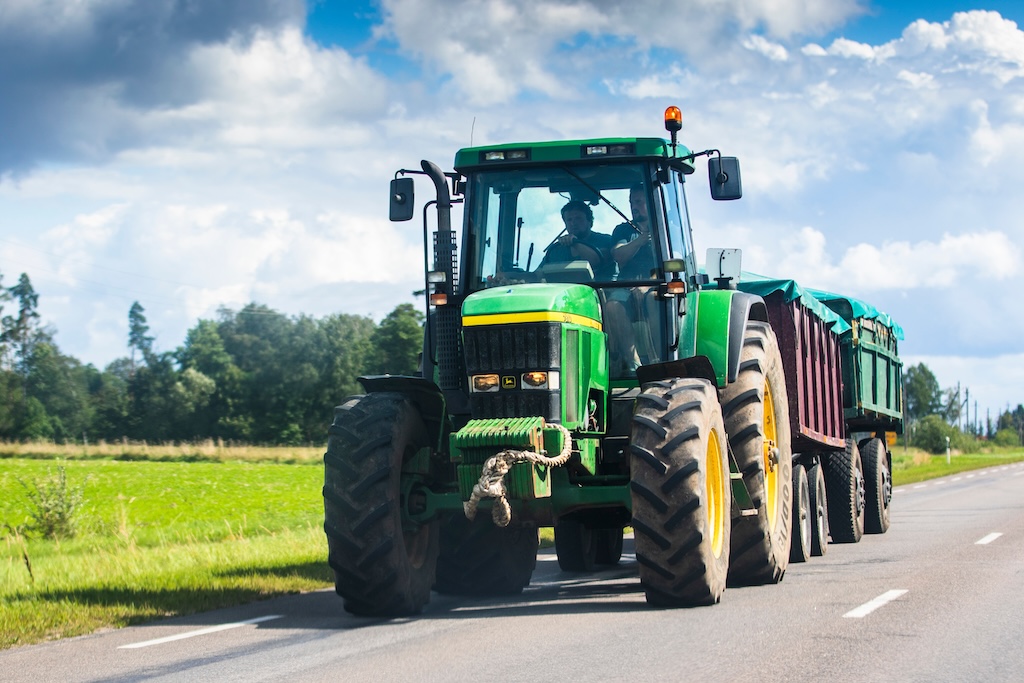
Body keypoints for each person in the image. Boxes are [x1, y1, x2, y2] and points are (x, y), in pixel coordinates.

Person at [605, 185, 660, 374]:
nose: (634, 207)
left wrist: (648, 284)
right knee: (612, 305)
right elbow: (619, 255)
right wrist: (640, 240)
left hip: (656, 284)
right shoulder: (623, 230)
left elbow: (672, 263)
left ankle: (658, 360)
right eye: (631, 203)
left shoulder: (665, 227)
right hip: (626, 286)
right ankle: (633, 364)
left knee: (654, 299)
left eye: (639, 202)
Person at [538, 200, 615, 280]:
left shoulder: (606, 241)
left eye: (578, 218)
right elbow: (539, 274)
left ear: (590, 221)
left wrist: (575, 243)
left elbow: (597, 261)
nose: (573, 223)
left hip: (604, 289)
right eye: (569, 220)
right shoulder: (555, 250)